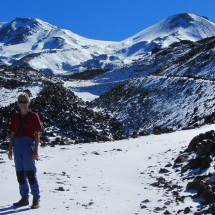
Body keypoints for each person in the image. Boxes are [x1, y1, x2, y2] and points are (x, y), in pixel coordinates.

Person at [8, 93, 43, 209]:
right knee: (20, 174)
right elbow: (12, 135)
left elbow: (37, 135)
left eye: (25, 102)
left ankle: (36, 198)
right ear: (18, 103)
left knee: (30, 173)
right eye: (21, 102)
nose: (22, 104)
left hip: (28, 146)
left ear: (29, 102)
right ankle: (24, 198)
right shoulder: (15, 118)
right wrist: (10, 150)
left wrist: (36, 151)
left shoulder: (34, 116)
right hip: (17, 147)